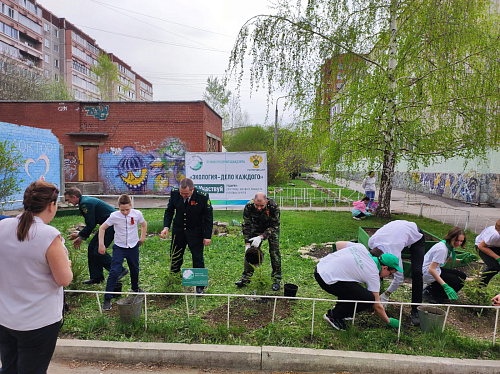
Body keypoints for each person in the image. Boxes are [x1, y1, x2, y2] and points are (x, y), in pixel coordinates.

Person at [0, 181, 73, 373]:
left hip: (5, 318)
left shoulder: (3, 226)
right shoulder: (49, 235)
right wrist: (67, 265)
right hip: (38, 322)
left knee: (9, 368)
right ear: (51, 205)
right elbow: (64, 279)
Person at [315, 241, 402, 331]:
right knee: (368, 298)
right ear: (384, 267)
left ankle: (344, 312)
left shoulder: (361, 248)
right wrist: (388, 321)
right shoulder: (373, 275)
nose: (388, 276)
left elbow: (338, 244)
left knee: (355, 289)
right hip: (325, 280)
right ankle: (334, 316)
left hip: (320, 266)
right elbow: (377, 305)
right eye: (390, 274)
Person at [64, 187, 127, 285]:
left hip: (112, 225)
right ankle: (96, 277)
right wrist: (79, 235)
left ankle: (118, 270)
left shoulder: (85, 203)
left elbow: (91, 223)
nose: (68, 202)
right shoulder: (84, 201)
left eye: (68, 199)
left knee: (98, 250)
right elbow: (91, 223)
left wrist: (80, 236)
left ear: (74, 197)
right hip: (107, 225)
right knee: (92, 248)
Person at [160, 178, 213, 295]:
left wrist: (207, 236)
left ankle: (200, 286)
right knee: (175, 255)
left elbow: (209, 217)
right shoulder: (174, 193)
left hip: (196, 231)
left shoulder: (202, 196)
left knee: (197, 257)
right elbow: (169, 211)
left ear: (192, 190)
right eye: (181, 193)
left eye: (186, 194)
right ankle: (174, 280)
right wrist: (166, 227)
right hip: (178, 230)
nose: (183, 195)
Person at [368, 220, 425, 326]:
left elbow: (399, 278)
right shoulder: (371, 242)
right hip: (398, 229)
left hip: (415, 234)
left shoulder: (393, 253)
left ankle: (415, 310)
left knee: (417, 272)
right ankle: (373, 299)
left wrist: (386, 294)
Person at [99, 194, 147, 311]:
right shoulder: (114, 216)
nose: (125, 212)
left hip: (133, 246)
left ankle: (135, 288)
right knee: (114, 271)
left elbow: (144, 224)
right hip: (119, 247)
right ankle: (107, 298)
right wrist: (101, 244)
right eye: (122, 210)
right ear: (118, 207)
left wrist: (142, 238)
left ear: (131, 206)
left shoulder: (137, 214)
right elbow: (102, 228)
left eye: (127, 209)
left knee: (135, 268)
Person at [235, 192, 282, 291]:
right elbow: (246, 224)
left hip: (271, 229)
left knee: (275, 252)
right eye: (257, 205)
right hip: (256, 228)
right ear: (253, 201)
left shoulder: (274, 207)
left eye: (262, 206)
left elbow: (275, 225)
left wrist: (262, 237)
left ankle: (276, 279)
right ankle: (246, 278)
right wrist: (247, 243)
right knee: (251, 253)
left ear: (266, 201)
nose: (259, 208)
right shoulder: (249, 206)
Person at [422, 227, 471, 304]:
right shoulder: (442, 249)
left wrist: (461, 261)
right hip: (427, 272)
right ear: (451, 237)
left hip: (435, 269)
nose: (458, 243)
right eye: (456, 240)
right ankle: (431, 293)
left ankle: (434, 289)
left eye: (461, 241)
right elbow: (431, 269)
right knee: (457, 281)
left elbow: (447, 259)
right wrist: (445, 286)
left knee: (462, 276)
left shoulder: (447, 245)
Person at [475, 219, 500, 286]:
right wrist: (497, 258)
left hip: (495, 245)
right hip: (482, 246)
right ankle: (481, 286)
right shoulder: (495, 235)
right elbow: (481, 246)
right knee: (494, 267)